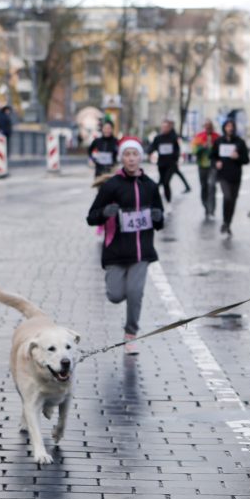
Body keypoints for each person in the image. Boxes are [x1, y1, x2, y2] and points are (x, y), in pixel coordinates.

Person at [86, 137, 164, 356]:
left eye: (135, 154)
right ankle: (116, 288)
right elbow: (91, 217)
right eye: (127, 155)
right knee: (116, 295)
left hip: (141, 252)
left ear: (141, 157)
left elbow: (159, 222)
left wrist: (158, 217)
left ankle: (131, 334)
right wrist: (104, 213)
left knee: (135, 292)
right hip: (116, 251)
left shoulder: (150, 185)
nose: (131, 159)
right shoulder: (111, 186)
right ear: (122, 158)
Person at [210, 119, 250, 236]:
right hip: (223, 175)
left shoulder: (240, 142)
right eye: (228, 126)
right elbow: (212, 157)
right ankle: (224, 221)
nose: (230, 128)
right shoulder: (219, 141)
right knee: (227, 197)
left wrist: (238, 157)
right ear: (224, 128)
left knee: (233, 201)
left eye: (232, 126)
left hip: (236, 176)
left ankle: (228, 223)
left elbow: (246, 159)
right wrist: (216, 163)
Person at [147, 119, 190, 202]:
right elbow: (153, 147)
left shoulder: (173, 138)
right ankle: (159, 196)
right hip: (161, 164)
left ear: (169, 128)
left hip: (171, 164)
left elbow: (177, 150)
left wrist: (176, 160)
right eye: (163, 127)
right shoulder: (158, 138)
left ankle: (168, 201)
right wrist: (149, 153)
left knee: (166, 182)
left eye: (166, 127)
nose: (164, 128)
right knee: (162, 182)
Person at [191, 119, 220, 218]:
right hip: (202, 166)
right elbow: (194, 151)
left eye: (210, 126)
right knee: (204, 187)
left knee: (212, 186)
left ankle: (212, 209)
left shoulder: (217, 137)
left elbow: (221, 150)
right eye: (206, 126)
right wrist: (202, 147)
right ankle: (206, 206)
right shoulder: (199, 137)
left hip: (213, 166)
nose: (208, 128)